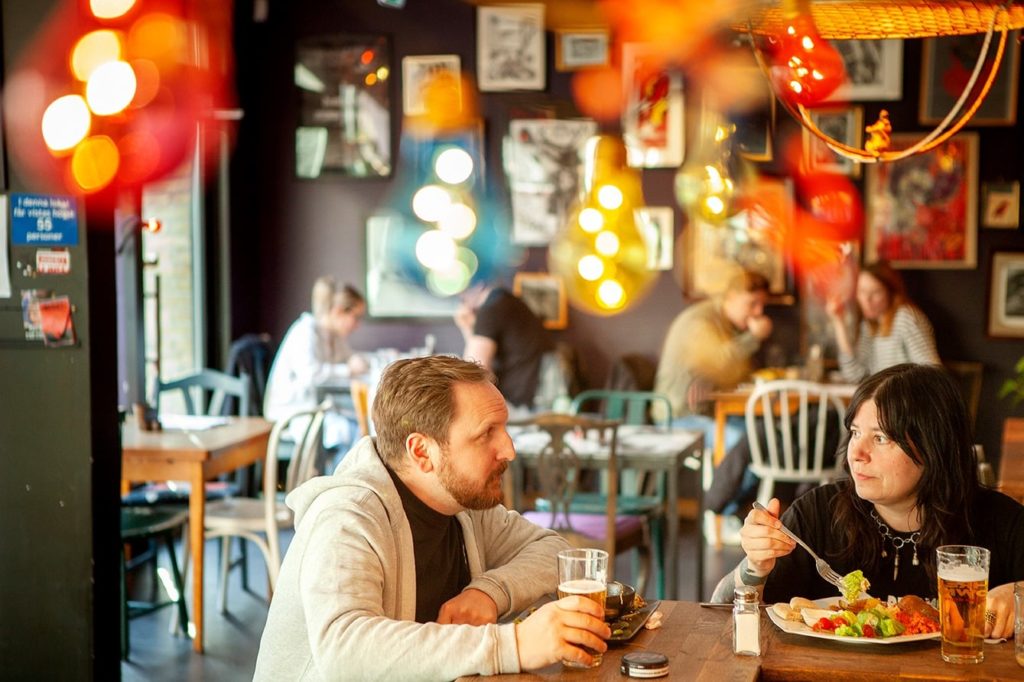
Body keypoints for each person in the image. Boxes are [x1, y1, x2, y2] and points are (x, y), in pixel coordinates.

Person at [253, 356, 610, 680]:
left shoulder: (460, 504)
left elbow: (551, 549)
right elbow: (343, 649)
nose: (509, 449)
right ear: (422, 451)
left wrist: (489, 593)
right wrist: (513, 644)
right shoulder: (348, 517)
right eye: (487, 433)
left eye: (504, 429)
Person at [711, 363, 1024, 640]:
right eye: (855, 432)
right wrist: (755, 566)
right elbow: (718, 616)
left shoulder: (999, 521)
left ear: (934, 447)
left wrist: (1020, 594)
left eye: (880, 438)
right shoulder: (819, 512)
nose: (856, 453)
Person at [652, 270, 773, 519]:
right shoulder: (701, 323)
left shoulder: (725, 324)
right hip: (678, 416)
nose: (758, 312)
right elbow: (718, 362)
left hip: (708, 413)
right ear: (730, 296)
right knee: (742, 441)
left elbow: (731, 373)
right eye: (752, 303)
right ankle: (721, 513)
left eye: (762, 304)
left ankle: (727, 509)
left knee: (765, 435)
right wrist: (754, 337)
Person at [264, 277, 369, 468]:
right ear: (338, 312)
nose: (357, 325)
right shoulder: (305, 332)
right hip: (293, 411)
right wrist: (348, 369)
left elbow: (350, 358)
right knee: (348, 430)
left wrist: (355, 362)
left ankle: (342, 480)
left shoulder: (333, 337)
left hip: (317, 407)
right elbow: (311, 375)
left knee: (362, 425)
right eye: (355, 317)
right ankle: (334, 484)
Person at [826, 261, 940, 383]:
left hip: (904, 400)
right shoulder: (870, 325)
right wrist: (839, 322)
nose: (867, 300)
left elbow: (933, 372)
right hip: (884, 400)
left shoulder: (905, 318)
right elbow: (854, 375)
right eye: (862, 291)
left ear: (891, 293)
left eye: (875, 292)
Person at [455, 282, 554, 409]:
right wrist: (470, 328)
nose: (462, 303)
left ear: (478, 285)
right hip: (539, 394)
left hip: (518, 403)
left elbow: (474, 370)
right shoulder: (506, 299)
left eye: (462, 296)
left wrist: (466, 328)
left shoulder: (489, 309)